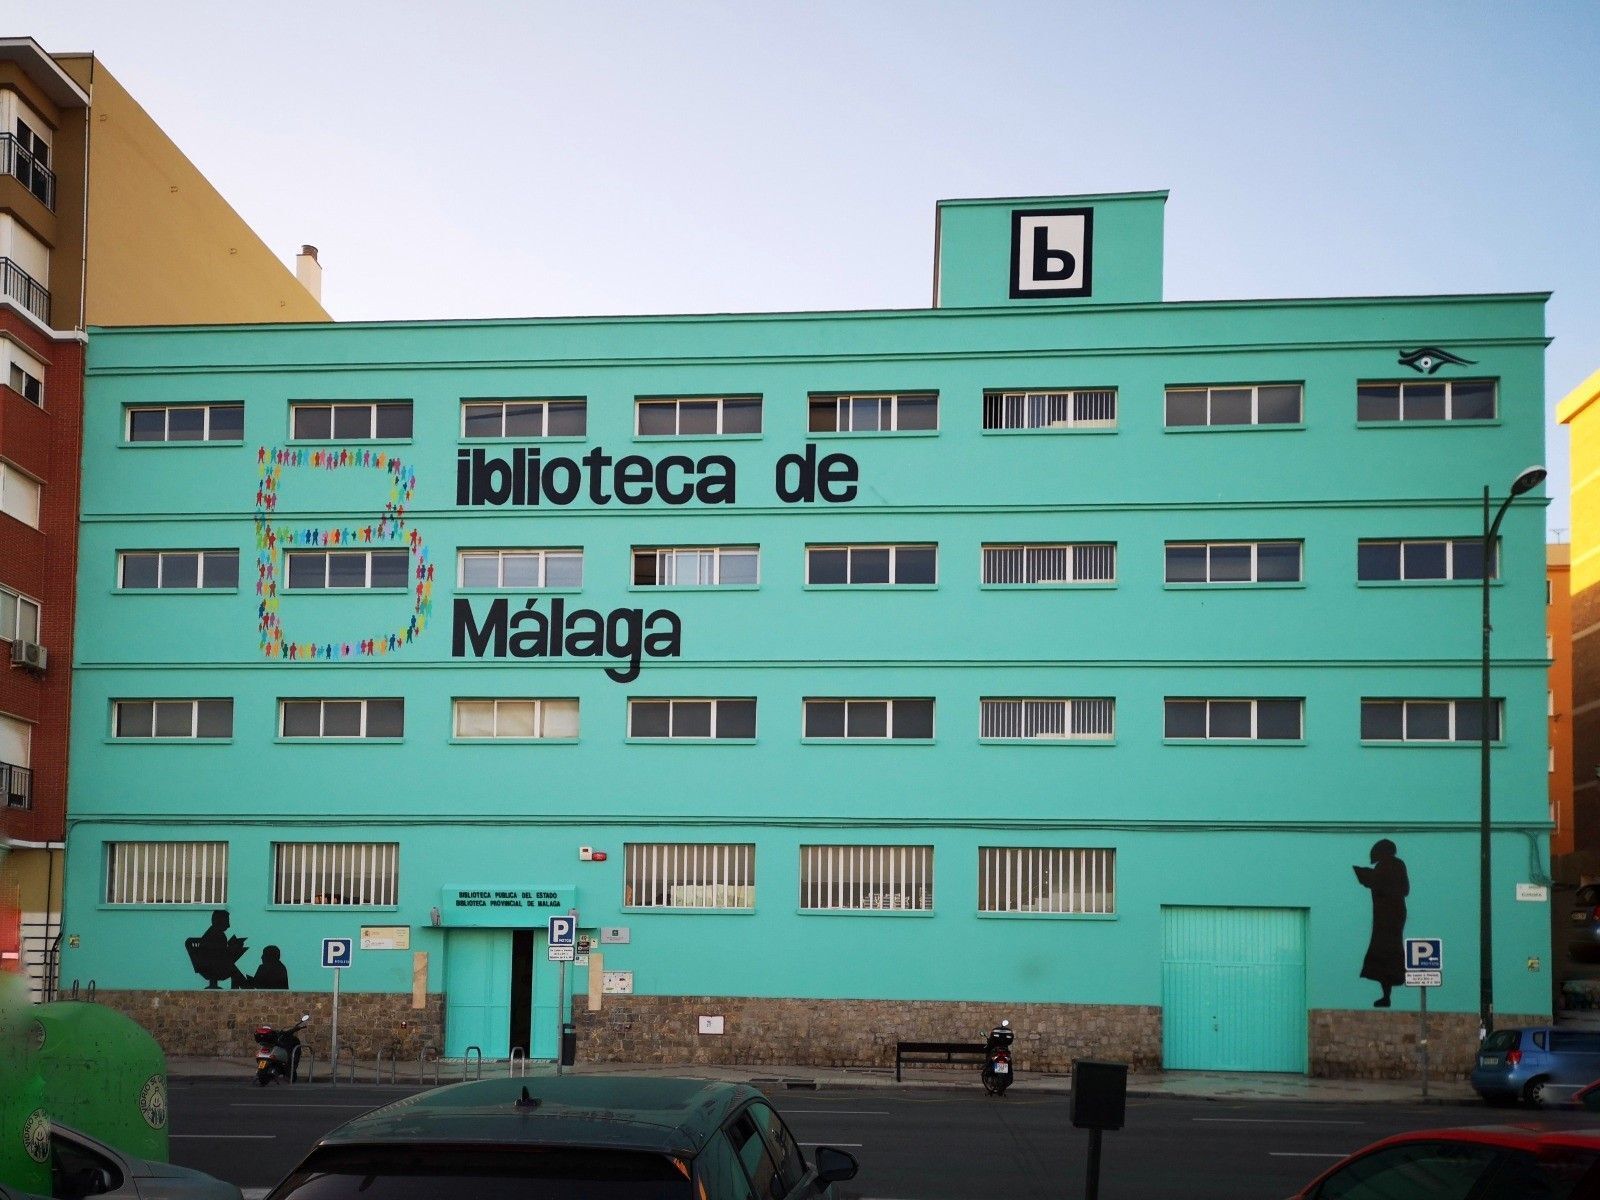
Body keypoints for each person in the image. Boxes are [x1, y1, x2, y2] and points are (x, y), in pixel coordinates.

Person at [1353, 839, 1409, 1007]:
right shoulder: (1397, 864)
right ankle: (1387, 994)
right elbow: (1403, 889)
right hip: (1390, 914)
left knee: (1385, 950)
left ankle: (1387, 994)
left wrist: (1371, 878)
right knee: (1386, 950)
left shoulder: (1389, 865)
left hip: (1388, 915)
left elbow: (1400, 889)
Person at [192, 909, 248, 989]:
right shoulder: (218, 935)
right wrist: (234, 949)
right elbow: (221, 956)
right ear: (220, 921)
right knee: (233, 969)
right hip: (212, 968)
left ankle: (245, 986)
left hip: (209, 966)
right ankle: (243, 988)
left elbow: (219, 953)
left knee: (232, 968)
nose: (228, 925)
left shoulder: (212, 932)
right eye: (227, 921)